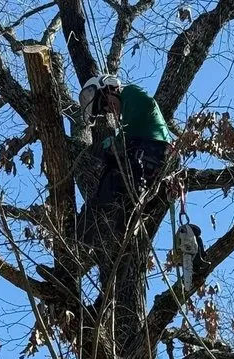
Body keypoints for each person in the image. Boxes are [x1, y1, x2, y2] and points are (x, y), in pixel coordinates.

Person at [38, 76, 176, 291]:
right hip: (143, 170)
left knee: (95, 213)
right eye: (104, 109)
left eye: (105, 103)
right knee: (115, 239)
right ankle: (103, 297)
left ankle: (67, 271)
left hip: (143, 162)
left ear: (110, 88)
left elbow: (136, 124)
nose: (109, 109)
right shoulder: (130, 117)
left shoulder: (131, 94)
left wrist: (116, 143)